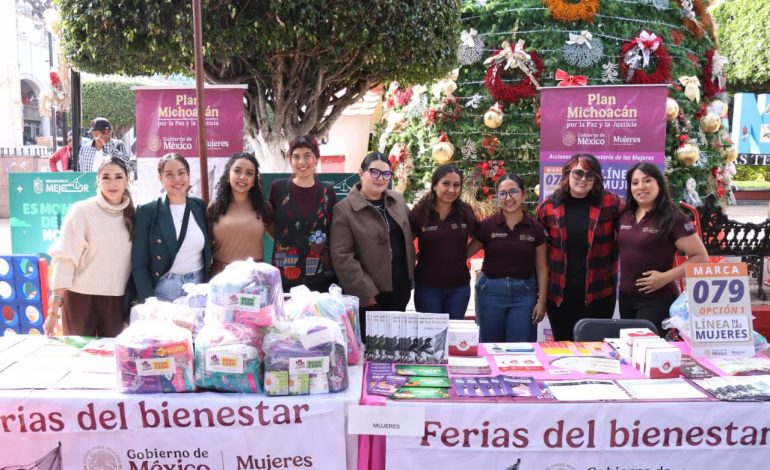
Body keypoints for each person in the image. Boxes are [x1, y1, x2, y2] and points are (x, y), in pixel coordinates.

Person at [536, 154, 624, 341]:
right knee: (564, 349)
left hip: (599, 294)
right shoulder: (548, 206)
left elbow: (633, 229)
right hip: (559, 297)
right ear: (567, 174)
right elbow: (538, 253)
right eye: (578, 173)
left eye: (589, 175)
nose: (583, 179)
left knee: (596, 351)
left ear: (596, 179)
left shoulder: (612, 203)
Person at [45, 157, 135, 336]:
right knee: (78, 352)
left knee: (112, 352)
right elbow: (64, 259)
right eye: (106, 177)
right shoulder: (81, 211)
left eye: (118, 177)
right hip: (79, 299)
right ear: (97, 180)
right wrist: (53, 311)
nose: (112, 183)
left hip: (117, 301)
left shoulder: (134, 215)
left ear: (127, 180)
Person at [330, 152, 414, 336]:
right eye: (374, 172)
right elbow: (342, 255)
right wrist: (363, 291)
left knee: (396, 341)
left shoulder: (398, 200)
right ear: (361, 173)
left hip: (400, 287)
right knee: (372, 345)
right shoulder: (344, 209)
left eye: (386, 174)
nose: (380, 178)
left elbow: (409, 234)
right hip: (371, 294)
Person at [618, 163, 708, 334]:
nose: (641, 187)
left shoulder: (674, 218)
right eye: (635, 183)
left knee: (646, 347)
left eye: (647, 181)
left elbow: (701, 258)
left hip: (656, 300)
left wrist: (665, 278)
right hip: (626, 298)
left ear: (659, 183)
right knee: (629, 347)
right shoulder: (625, 215)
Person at [467, 173, 547, 342]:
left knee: (521, 348)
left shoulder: (535, 228)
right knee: (490, 347)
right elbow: (464, 254)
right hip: (490, 292)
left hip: (524, 295)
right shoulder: (488, 225)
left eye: (513, 192)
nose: (508, 198)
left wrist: (542, 302)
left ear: (523, 194)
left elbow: (542, 267)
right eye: (503, 193)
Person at [132, 153, 211, 303]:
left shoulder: (199, 206)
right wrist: (149, 301)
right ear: (160, 178)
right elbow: (139, 264)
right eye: (169, 174)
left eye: (181, 173)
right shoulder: (148, 211)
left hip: (197, 288)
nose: (177, 179)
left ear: (188, 175)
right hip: (164, 289)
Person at [269, 135, 337, 292]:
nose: (301, 162)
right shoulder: (278, 189)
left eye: (307, 156)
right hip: (285, 277)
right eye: (296, 157)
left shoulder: (328, 192)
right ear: (290, 160)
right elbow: (270, 224)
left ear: (316, 159)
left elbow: (334, 229)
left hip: (320, 279)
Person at [409, 164, 477, 319]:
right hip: (427, 288)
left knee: (453, 331)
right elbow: (405, 242)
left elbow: (481, 236)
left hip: (459, 288)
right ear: (434, 185)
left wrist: (463, 255)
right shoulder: (419, 212)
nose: (451, 190)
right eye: (446, 183)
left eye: (456, 185)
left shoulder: (465, 211)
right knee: (430, 333)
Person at [208, 152, 273, 276]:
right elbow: (203, 245)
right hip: (220, 277)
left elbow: (281, 240)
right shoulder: (214, 208)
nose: (243, 177)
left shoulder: (264, 208)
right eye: (237, 171)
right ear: (228, 176)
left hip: (254, 278)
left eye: (249, 173)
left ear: (254, 181)